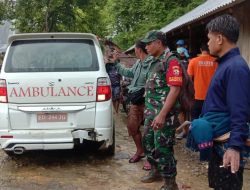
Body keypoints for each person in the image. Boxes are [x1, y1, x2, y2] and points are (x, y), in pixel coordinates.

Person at [188, 14, 250, 190]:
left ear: (220, 38)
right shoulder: (225, 64)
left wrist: (235, 147)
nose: (207, 43)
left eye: (209, 39)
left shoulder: (236, 67)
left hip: (227, 145)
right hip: (220, 143)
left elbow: (240, 111)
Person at [140, 30, 188, 190]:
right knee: (147, 142)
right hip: (151, 114)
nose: (146, 47)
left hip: (164, 115)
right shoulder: (156, 60)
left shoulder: (171, 61)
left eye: (149, 43)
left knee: (163, 147)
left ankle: (170, 182)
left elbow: (174, 90)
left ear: (158, 43)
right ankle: (156, 171)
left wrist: (162, 115)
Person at [111, 40, 152, 170]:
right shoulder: (138, 63)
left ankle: (151, 158)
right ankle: (140, 151)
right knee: (132, 126)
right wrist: (117, 63)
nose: (134, 50)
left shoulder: (152, 63)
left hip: (148, 101)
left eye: (135, 48)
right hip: (135, 100)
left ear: (138, 49)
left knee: (149, 131)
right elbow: (129, 73)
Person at [187, 44, 218, 121]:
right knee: (209, 120)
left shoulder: (193, 61)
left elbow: (189, 79)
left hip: (197, 96)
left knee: (194, 120)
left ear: (201, 50)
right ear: (209, 49)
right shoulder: (216, 62)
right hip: (212, 97)